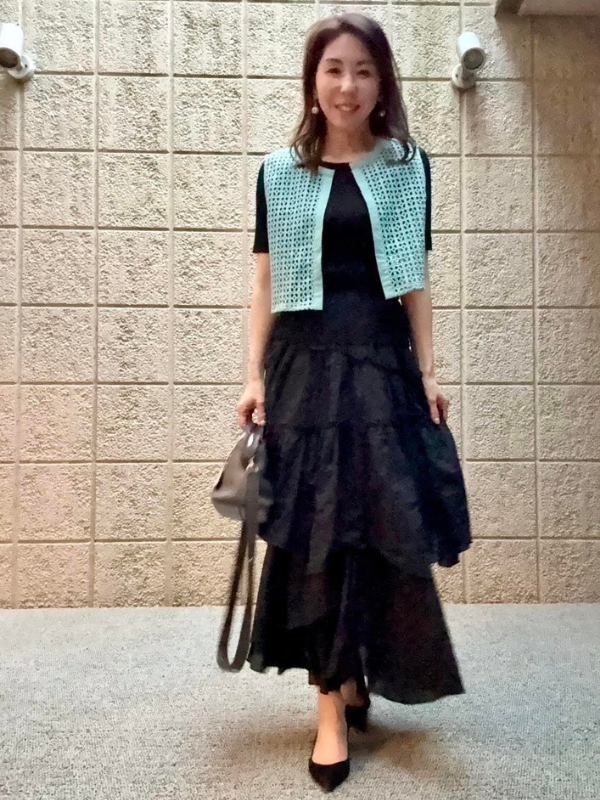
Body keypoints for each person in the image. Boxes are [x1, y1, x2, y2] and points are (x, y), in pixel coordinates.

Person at [236, 12, 471, 792]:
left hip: (380, 369)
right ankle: (329, 706)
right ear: (314, 80)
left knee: (378, 528)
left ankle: (358, 671)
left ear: (383, 82)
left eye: (365, 70)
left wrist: (429, 372)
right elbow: (265, 282)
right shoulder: (279, 171)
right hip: (303, 371)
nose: (349, 85)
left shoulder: (407, 165)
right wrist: (252, 378)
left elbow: (414, 279)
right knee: (316, 537)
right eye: (334, 68)